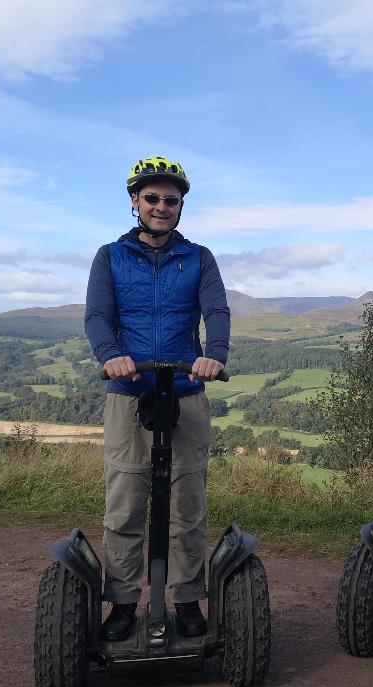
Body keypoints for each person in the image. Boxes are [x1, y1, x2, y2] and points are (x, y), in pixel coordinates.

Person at [84, 156, 230, 641]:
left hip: (185, 391)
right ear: (135, 202)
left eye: (171, 199)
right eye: (152, 198)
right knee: (125, 501)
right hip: (129, 392)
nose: (162, 207)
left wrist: (214, 355)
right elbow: (98, 316)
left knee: (188, 502)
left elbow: (217, 309)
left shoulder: (200, 257)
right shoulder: (110, 256)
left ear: (181, 204)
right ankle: (124, 603)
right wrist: (111, 355)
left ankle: (186, 599)